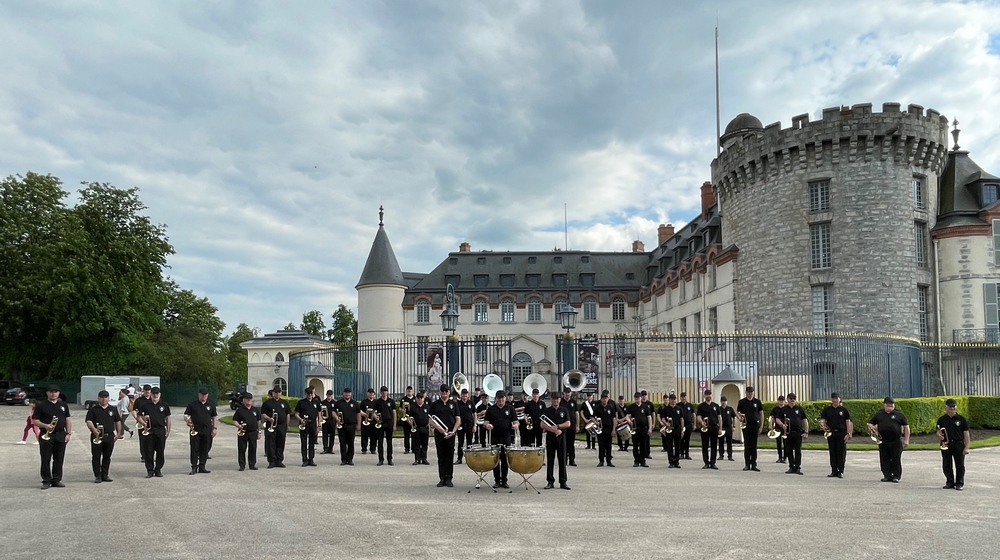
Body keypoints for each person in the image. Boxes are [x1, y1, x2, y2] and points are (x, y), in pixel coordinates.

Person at [33, 385, 72, 489]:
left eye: (55, 392)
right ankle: (46, 480)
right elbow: (35, 420)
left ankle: (56, 479)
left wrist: (68, 433)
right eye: (51, 392)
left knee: (59, 458)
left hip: (60, 434)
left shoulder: (63, 405)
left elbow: (68, 419)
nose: (53, 394)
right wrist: (45, 426)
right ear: (47, 393)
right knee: (45, 458)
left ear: (58, 393)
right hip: (47, 434)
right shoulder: (41, 405)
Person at [868, 397, 909, 483]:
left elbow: (906, 427)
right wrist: (871, 428)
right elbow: (871, 423)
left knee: (896, 458)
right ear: (884, 405)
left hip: (896, 441)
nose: (889, 406)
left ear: (894, 405)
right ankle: (887, 475)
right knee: (884, 459)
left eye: (891, 404)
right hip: (883, 441)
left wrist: (906, 439)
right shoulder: (879, 414)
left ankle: (896, 476)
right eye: (887, 404)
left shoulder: (899, 415)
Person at [85, 390, 122, 483]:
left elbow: (117, 421)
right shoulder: (93, 409)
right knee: (96, 456)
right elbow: (88, 421)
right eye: (102, 397)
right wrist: (94, 430)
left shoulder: (113, 409)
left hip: (109, 436)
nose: (104, 399)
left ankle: (105, 475)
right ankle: (97, 475)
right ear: (98, 398)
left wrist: (118, 433)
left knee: (107, 456)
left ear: (108, 398)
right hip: (96, 436)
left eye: (106, 397)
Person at [484, 390, 518, 489]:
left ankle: (504, 480)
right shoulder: (491, 409)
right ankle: (496, 481)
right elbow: (485, 422)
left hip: (506, 437)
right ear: (496, 398)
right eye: (499, 398)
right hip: (494, 437)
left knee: (504, 460)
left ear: (505, 398)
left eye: (502, 397)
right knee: (495, 460)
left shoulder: (510, 409)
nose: (501, 399)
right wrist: (488, 425)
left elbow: (516, 421)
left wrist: (516, 425)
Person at [429, 384, 461, 487]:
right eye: (442, 392)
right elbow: (430, 419)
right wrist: (438, 428)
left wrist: (454, 431)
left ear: (449, 392)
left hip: (450, 434)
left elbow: (458, 419)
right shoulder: (435, 404)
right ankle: (442, 478)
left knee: (449, 456)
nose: (444, 394)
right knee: (441, 456)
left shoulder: (454, 404)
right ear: (440, 392)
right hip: (439, 434)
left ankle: (449, 478)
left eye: (446, 392)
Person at [136, 387, 171, 478]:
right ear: (151, 394)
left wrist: (168, 430)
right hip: (149, 431)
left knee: (160, 451)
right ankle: (150, 470)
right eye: (154, 393)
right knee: (149, 452)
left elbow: (168, 418)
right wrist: (143, 423)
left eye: (157, 393)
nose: (155, 395)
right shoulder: (145, 405)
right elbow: (139, 416)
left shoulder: (164, 405)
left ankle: (158, 469)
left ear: (160, 394)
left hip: (160, 430)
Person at [937, 398, 970, 491]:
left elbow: (966, 434)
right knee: (946, 464)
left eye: (953, 406)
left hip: (958, 443)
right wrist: (939, 435)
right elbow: (938, 431)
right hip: (946, 444)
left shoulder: (962, 419)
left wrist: (967, 447)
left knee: (959, 464)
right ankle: (949, 482)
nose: (952, 408)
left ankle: (959, 483)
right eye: (950, 406)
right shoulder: (941, 419)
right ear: (946, 407)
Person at [184, 387, 218, 475]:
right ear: (199, 395)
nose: (204, 396)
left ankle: (202, 466)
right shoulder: (193, 405)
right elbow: (186, 415)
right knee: (194, 448)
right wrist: (188, 421)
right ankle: (194, 467)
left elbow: (214, 416)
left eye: (205, 395)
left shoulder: (211, 405)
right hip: (195, 430)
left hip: (207, 430)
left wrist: (214, 428)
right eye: (202, 394)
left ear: (207, 395)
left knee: (205, 448)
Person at [541, 392, 571, 489]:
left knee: (562, 459)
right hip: (551, 437)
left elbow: (568, 423)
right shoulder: (547, 411)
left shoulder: (564, 410)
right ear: (551, 400)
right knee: (550, 459)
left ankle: (563, 482)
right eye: (554, 399)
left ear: (560, 399)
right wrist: (553, 430)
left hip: (562, 436)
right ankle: (550, 481)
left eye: (557, 399)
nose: (555, 400)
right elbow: (542, 424)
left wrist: (558, 427)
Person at [820, 392, 853, 478]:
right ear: (831, 399)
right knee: (832, 452)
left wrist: (848, 433)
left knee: (841, 452)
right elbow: (823, 420)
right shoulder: (827, 410)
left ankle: (840, 471)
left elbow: (848, 422)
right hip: (831, 433)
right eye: (833, 398)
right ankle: (834, 471)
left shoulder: (843, 410)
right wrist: (823, 425)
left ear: (839, 399)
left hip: (841, 433)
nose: (835, 400)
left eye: (836, 398)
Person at [778, 393, 807, 475]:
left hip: (798, 433)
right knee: (789, 450)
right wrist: (782, 425)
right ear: (787, 399)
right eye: (791, 398)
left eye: (794, 398)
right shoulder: (784, 409)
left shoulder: (799, 409)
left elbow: (805, 420)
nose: (793, 399)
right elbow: (777, 419)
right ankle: (791, 466)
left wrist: (806, 432)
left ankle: (798, 467)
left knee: (798, 451)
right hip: (788, 433)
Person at [260, 387, 289, 468]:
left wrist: (287, 424)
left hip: (281, 425)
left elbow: (288, 414)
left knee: (281, 443)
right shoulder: (267, 403)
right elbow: (263, 414)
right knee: (271, 443)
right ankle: (272, 461)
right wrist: (269, 418)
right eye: (276, 392)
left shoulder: (284, 403)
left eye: (279, 392)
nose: (277, 394)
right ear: (273, 393)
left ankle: (279, 460)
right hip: (271, 425)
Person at [736, 387, 764, 472]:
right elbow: (737, 412)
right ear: (746, 392)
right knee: (747, 445)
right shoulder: (742, 402)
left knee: (754, 445)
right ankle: (747, 464)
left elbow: (761, 414)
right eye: (748, 392)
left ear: (753, 392)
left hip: (755, 425)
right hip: (746, 426)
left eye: (751, 392)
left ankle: (754, 464)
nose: (750, 393)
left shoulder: (757, 402)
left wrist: (761, 426)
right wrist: (740, 418)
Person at [232, 392, 261, 471]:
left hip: (253, 432)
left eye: (250, 399)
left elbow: (258, 421)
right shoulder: (240, 410)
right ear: (243, 400)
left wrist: (259, 431)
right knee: (242, 449)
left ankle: (252, 464)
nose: (249, 400)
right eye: (247, 399)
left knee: (253, 448)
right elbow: (234, 420)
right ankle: (242, 465)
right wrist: (238, 426)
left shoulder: (255, 410)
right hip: (243, 431)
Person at [294, 387, 320, 467]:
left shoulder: (316, 402)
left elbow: (319, 414)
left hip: (313, 424)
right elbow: (296, 414)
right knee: (304, 442)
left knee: (312, 443)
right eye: (308, 394)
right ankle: (304, 460)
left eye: (311, 393)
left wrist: (318, 425)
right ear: (305, 394)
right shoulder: (301, 402)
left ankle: (311, 459)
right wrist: (301, 419)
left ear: (313, 394)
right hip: (304, 424)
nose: (309, 395)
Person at [592, 390, 618, 467]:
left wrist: (614, 429)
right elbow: (592, 417)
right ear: (601, 399)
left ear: (608, 399)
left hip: (609, 428)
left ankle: (609, 461)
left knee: (609, 445)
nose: (605, 400)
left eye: (606, 398)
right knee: (601, 445)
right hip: (601, 429)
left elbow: (614, 419)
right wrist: (596, 423)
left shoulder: (611, 407)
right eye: (603, 398)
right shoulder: (597, 408)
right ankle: (601, 461)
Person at [334, 388, 360, 465]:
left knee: (351, 443)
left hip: (351, 426)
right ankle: (343, 459)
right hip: (342, 426)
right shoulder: (338, 403)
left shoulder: (355, 403)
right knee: (342, 443)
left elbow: (358, 414)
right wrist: (336, 418)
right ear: (343, 393)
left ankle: (350, 459)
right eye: (346, 393)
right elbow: (333, 412)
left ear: (351, 394)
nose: (347, 394)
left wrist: (358, 424)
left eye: (349, 393)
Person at [696, 390, 720, 469]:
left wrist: (720, 428)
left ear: (711, 395)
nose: (708, 396)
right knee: (705, 446)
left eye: (709, 394)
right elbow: (698, 416)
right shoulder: (701, 406)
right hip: (705, 428)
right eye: (706, 395)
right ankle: (706, 462)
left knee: (714, 446)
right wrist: (701, 422)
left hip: (714, 427)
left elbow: (719, 417)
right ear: (704, 396)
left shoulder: (716, 406)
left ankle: (713, 463)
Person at [625, 391, 650, 468]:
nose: (637, 399)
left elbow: (649, 418)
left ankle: (642, 461)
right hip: (635, 429)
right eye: (636, 398)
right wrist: (629, 421)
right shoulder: (631, 407)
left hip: (643, 429)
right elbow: (627, 416)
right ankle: (636, 461)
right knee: (635, 446)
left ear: (641, 398)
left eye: (638, 398)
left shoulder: (645, 407)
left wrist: (650, 428)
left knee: (643, 445)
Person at [375, 386, 397, 466]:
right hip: (381, 423)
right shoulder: (377, 402)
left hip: (389, 422)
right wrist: (377, 419)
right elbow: (374, 412)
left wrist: (394, 425)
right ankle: (380, 459)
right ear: (381, 392)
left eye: (385, 391)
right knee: (380, 442)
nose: (384, 392)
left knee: (389, 442)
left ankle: (389, 459)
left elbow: (394, 413)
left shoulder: (391, 401)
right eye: (383, 391)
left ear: (387, 392)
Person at [661, 393, 685, 468]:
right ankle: (671, 461)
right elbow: (663, 418)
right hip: (669, 429)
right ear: (670, 400)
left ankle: (676, 462)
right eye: (671, 399)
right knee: (669, 446)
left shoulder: (679, 409)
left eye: (674, 399)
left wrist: (682, 430)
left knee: (677, 446)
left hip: (677, 429)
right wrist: (665, 423)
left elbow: (682, 419)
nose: (673, 401)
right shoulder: (666, 409)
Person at [454, 388, 476, 464]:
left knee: (469, 442)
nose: (464, 396)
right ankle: (459, 458)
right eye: (463, 394)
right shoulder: (457, 404)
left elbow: (474, 414)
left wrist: (474, 425)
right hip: (461, 425)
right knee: (460, 442)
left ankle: (469, 458)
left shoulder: (471, 403)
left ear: (468, 395)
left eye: (466, 394)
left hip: (469, 424)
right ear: (461, 395)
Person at [409, 391, 431, 465]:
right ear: (416, 398)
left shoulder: (427, 407)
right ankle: (417, 459)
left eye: (421, 398)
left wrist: (431, 427)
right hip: (416, 428)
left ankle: (424, 458)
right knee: (416, 444)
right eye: (418, 398)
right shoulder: (413, 407)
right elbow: (409, 417)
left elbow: (430, 418)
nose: (419, 399)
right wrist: (411, 424)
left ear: (423, 399)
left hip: (425, 428)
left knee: (425, 444)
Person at [133, 384, 153, 464]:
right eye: (145, 390)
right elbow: (134, 410)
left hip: (151, 423)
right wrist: (138, 419)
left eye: (148, 390)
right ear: (143, 391)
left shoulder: (153, 399)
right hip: (141, 422)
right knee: (143, 440)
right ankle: (144, 456)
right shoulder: (139, 400)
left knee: (151, 440)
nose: (147, 391)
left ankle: (150, 455)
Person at [560, 387, 578, 467]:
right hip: (563, 426)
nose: (567, 394)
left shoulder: (573, 402)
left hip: (572, 425)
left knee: (571, 443)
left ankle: (572, 459)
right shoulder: (561, 401)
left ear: (571, 393)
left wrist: (577, 425)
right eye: (566, 392)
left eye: (569, 392)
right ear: (564, 393)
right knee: (563, 443)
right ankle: (564, 460)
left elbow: (577, 413)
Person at [718, 396, 736, 461]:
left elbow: (734, 417)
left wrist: (734, 426)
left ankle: (730, 456)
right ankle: (721, 455)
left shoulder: (730, 409)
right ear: (721, 402)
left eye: (725, 401)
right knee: (721, 442)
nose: (724, 403)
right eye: (723, 401)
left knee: (729, 442)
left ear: (727, 402)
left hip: (729, 428)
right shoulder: (718, 409)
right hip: (721, 428)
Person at [360, 388, 378, 454]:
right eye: (370, 393)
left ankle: (373, 449)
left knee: (374, 436)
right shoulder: (364, 402)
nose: (371, 394)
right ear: (367, 394)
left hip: (374, 422)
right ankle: (364, 449)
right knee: (364, 436)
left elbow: (378, 411)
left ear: (374, 394)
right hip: (365, 421)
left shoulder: (376, 402)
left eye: (372, 393)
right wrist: (364, 414)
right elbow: (360, 410)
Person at [320, 389, 338, 455]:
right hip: (325, 420)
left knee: (332, 435)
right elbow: (320, 411)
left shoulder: (335, 403)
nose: (329, 396)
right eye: (328, 395)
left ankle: (330, 449)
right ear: (326, 395)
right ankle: (325, 448)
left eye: (330, 395)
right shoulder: (323, 402)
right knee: (325, 435)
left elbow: (337, 412)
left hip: (332, 420)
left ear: (332, 395)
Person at [770, 395, 787, 463]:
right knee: (778, 443)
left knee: (786, 443)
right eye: (780, 400)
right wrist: (771, 426)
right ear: (778, 401)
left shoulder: (786, 409)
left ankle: (785, 457)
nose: (781, 402)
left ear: (784, 401)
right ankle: (780, 457)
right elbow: (772, 418)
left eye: (782, 400)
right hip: (777, 428)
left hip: (785, 428)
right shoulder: (775, 409)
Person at [678, 392, 695, 460]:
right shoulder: (678, 405)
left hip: (688, 425)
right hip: (680, 425)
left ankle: (687, 454)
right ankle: (681, 453)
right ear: (680, 398)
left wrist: (694, 424)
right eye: (682, 397)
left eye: (684, 397)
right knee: (681, 440)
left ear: (686, 397)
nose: (683, 398)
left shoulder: (690, 405)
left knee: (687, 440)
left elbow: (693, 415)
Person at [400, 386, 415, 454]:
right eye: (408, 390)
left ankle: (414, 448)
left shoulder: (415, 398)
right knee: (406, 435)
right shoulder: (403, 399)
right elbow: (400, 408)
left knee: (414, 435)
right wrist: (402, 410)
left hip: (413, 419)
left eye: (410, 390)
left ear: (412, 391)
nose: (409, 391)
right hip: (406, 419)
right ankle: (407, 449)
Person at [639, 391, 654, 459]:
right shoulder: (639, 403)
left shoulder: (649, 404)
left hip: (648, 424)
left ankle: (647, 453)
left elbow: (653, 414)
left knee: (647, 439)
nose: (644, 397)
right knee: (641, 440)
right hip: (641, 425)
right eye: (642, 395)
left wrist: (653, 423)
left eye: (645, 395)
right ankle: (642, 453)